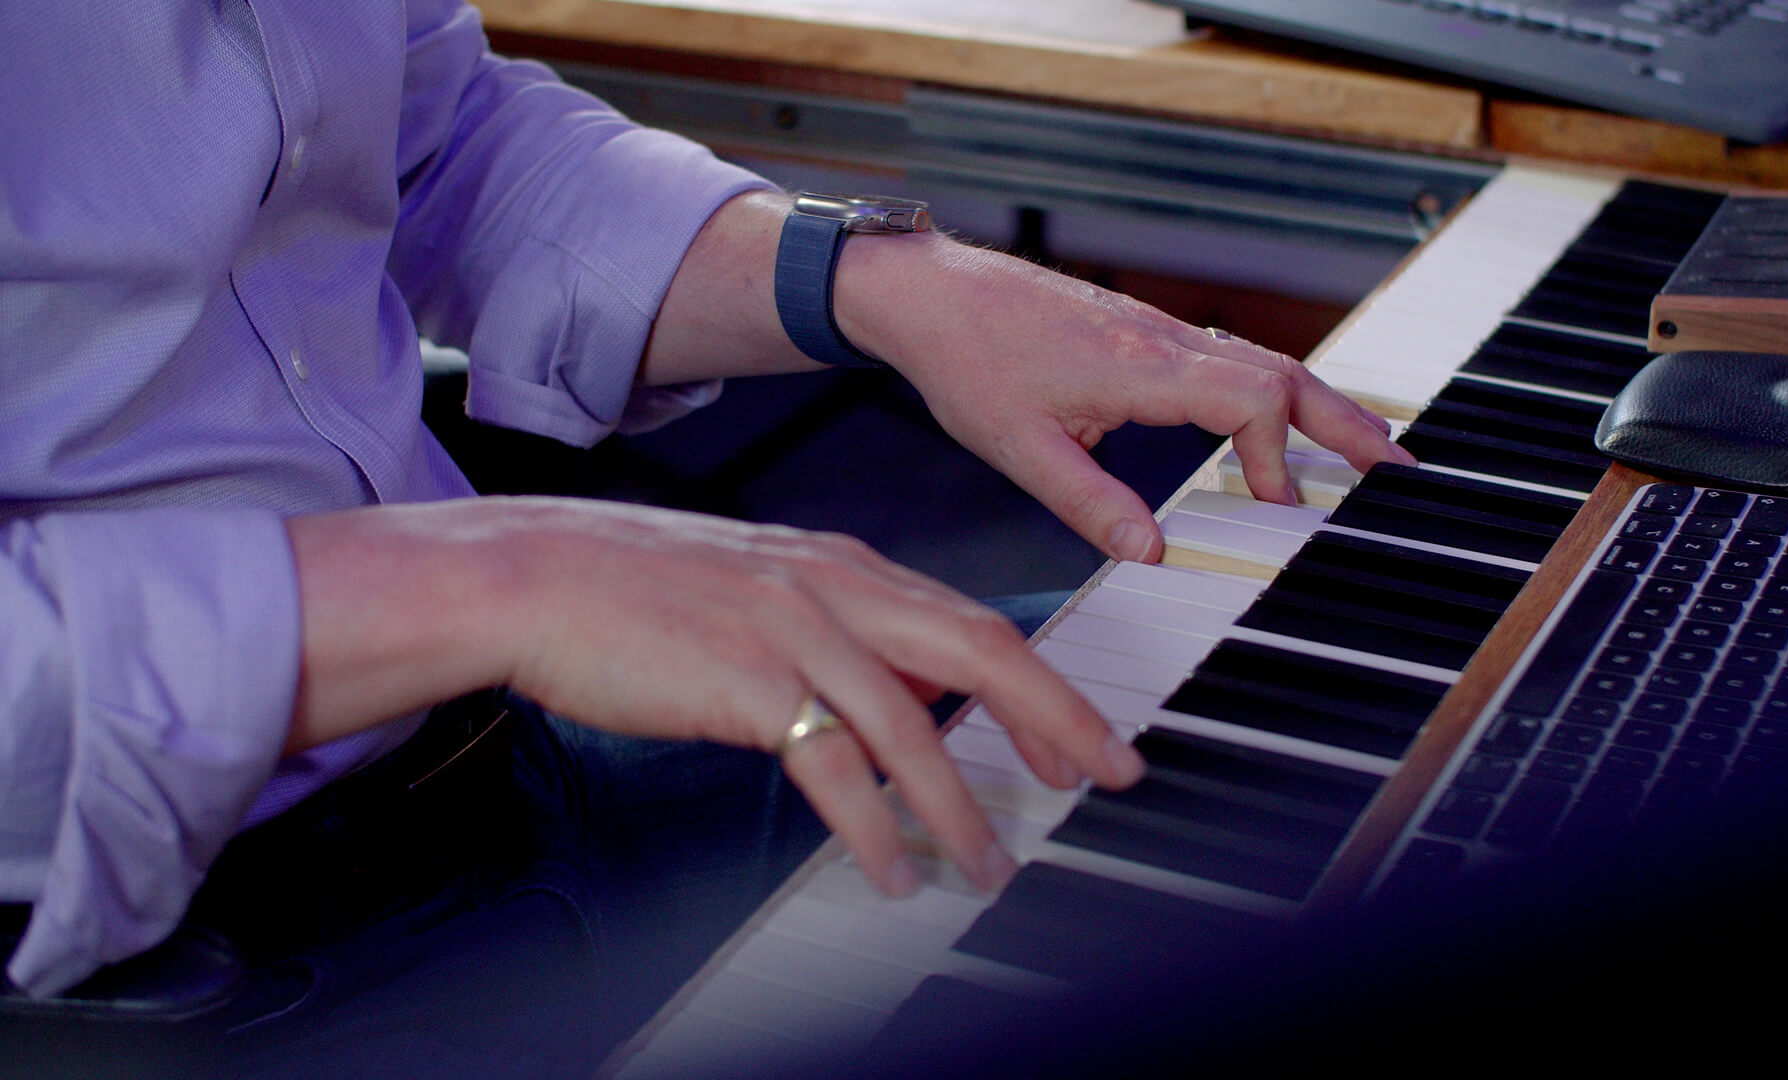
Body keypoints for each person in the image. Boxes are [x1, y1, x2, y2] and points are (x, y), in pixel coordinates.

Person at [0, 0, 1409, 1068]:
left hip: (500, 780)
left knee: (1307, 721)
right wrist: (503, 577)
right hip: (148, 965)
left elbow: (433, 145)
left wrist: (877, 279)